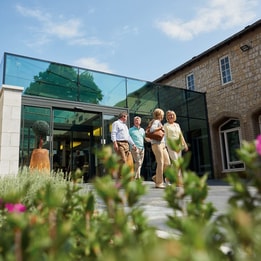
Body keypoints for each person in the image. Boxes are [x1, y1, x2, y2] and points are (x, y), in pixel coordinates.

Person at [164, 110, 188, 186]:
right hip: (170, 145)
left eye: (172, 115)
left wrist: (185, 144)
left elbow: (180, 135)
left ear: (174, 116)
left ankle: (168, 178)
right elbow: (165, 137)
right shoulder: (166, 125)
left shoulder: (177, 125)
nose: (171, 116)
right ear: (167, 117)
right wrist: (164, 146)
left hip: (178, 146)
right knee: (175, 162)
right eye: (169, 115)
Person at [149, 108, 170, 188]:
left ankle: (156, 177)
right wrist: (160, 128)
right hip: (156, 144)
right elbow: (151, 130)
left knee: (167, 163)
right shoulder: (156, 121)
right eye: (162, 114)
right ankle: (159, 183)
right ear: (160, 115)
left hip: (162, 145)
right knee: (160, 162)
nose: (163, 116)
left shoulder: (159, 122)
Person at [111, 112, 137, 177]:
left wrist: (133, 144)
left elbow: (128, 137)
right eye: (126, 117)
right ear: (123, 116)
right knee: (123, 161)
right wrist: (115, 143)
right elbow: (113, 133)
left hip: (126, 144)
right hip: (119, 144)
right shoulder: (116, 123)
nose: (126, 119)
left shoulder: (125, 126)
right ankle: (121, 179)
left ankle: (125, 178)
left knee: (128, 161)